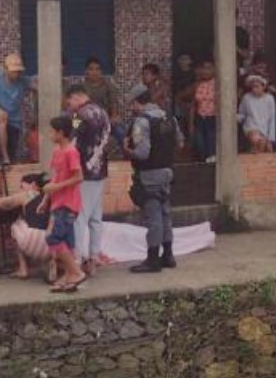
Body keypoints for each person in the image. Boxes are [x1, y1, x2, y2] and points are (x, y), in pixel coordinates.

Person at [126, 86, 180, 273]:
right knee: (166, 214)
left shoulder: (142, 122)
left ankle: (152, 259)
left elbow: (142, 153)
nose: (131, 108)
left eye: (131, 104)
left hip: (149, 174)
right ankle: (168, 255)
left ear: (136, 102)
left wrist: (128, 150)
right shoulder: (169, 117)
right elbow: (179, 142)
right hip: (167, 171)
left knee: (153, 217)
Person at [64, 85, 113, 276]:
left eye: (70, 102)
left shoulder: (78, 116)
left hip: (83, 172)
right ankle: (93, 257)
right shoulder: (103, 113)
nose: (70, 107)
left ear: (76, 97)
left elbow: (74, 142)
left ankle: (76, 260)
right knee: (96, 218)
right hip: (101, 170)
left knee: (79, 217)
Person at [42, 115, 87, 291]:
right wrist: (46, 199)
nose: (49, 134)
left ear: (61, 133)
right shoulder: (57, 151)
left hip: (68, 203)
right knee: (67, 242)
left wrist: (56, 187)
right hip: (57, 202)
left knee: (53, 238)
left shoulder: (71, 151)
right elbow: (56, 176)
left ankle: (75, 272)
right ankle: (69, 275)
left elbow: (79, 177)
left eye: (52, 131)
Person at [0, 172, 53, 280]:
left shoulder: (28, 194)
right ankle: (50, 263)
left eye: (22, 186)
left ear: (33, 185)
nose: (21, 189)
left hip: (33, 243)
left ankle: (23, 269)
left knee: (16, 225)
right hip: (54, 246)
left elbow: (1, 204)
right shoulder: (48, 196)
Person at [0, 53, 28, 164]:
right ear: (6, 69)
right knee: (0, 118)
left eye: (18, 71)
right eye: (13, 71)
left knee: (13, 154)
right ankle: (4, 157)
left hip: (14, 122)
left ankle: (8, 159)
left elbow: (37, 84)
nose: (16, 74)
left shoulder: (23, 80)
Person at [238, 74, 276, 153]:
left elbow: (272, 119)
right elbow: (242, 114)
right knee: (256, 139)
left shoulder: (269, 99)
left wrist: (271, 138)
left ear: (263, 87)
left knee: (265, 146)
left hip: (264, 129)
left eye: (257, 86)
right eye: (253, 87)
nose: (254, 89)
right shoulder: (246, 98)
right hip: (251, 127)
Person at [190, 59, 217, 163]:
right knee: (200, 144)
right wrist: (191, 124)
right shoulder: (197, 84)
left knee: (211, 143)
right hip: (200, 118)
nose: (205, 71)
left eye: (209, 68)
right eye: (204, 68)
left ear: (214, 70)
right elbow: (193, 104)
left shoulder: (218, 84)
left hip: (212, 118)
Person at [81, 57, 120, 122]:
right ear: (86, 71)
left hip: (106, 120)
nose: (94, 72)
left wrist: (113, 117)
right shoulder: (81, 87)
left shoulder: (109, 86)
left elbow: (114, 103)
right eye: (91, 69)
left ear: (101, 71)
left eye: (97, 69)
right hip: (87, 120)